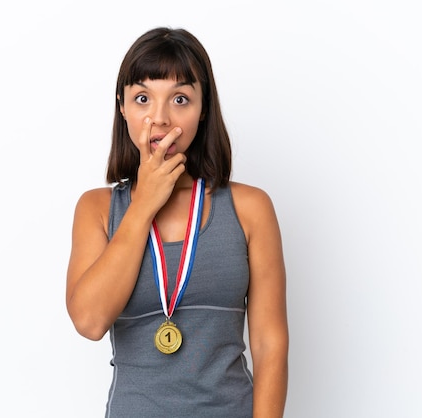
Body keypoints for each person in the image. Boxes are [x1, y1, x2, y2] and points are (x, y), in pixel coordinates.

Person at [66, 27, 288, 417]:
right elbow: (89, 320)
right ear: (122, 107)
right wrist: (143, 204)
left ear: (203, 110)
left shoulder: (250, 208)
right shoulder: (98, 209)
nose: (160, 118)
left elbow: (270, 345)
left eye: (180, 99)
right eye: (142, 98)